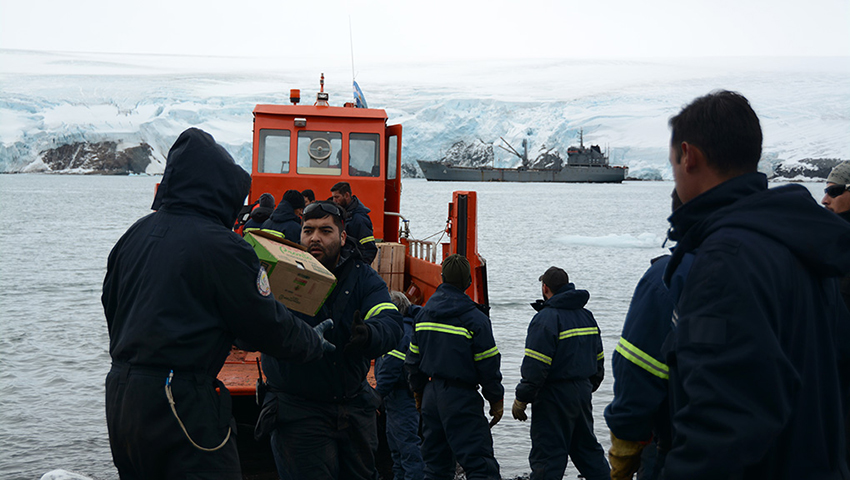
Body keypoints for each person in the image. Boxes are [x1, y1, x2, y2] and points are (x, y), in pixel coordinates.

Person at [102, 128, 333, 479]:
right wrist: (311, 342)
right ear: (222, 190)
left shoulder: (133, 235)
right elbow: (266, 324)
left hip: (121, 397)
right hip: (179, 400)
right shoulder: (224, 247)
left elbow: (112, 304)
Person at [662, 90, 850, 478]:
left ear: (688, 155)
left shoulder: (725, 261)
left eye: (673, 162)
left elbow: (723, 422)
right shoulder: (804, 248)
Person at [260, 200, 404, 480]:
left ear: (342, 237)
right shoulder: (277, 278)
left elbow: (390, 320)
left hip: (353, 409)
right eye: (308, 230)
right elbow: (247, 327)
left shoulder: (365, 279)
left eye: (325, 231)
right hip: (297, 408)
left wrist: (370, 334)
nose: (315, 237)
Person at [603, 190, 684, 480]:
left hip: (678, 445)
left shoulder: (667, 279)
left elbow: (638, 368)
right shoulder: (787, 265)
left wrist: (623, 452)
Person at [405, 254, 503, 480]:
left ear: (442, 279)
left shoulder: (423, 315)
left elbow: (413, 361)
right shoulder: (476, 319)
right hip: (461, 398)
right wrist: (495, 399)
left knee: (435, 466)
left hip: (431, 397)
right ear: (468, 282)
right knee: (480, 466)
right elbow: (488, 366)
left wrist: (419, 392)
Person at [511, 267, 609, 480]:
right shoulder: (587, 316)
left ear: (545, 288)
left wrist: (522, 398)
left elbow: (535, 366)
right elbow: (599, 360)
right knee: (588, 452)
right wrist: (585, 388)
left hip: (553, 397)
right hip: (582, 393)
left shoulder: (546, 319)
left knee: (548, 456)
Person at [375, 291, 425, 480]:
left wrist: (377, 394)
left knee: (407, 448)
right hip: (396, 398)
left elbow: (391, 367)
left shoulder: (399, 334)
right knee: (397, 449)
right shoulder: (404, 329)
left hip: (401, 398)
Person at [331, 181, 378, 264]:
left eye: (337, 197)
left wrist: (358, 269)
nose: (334, 201)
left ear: (346, 195)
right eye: (333, 198)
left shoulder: (359, 219)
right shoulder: (343, 214)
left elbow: (370, 249)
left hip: (352, 267)